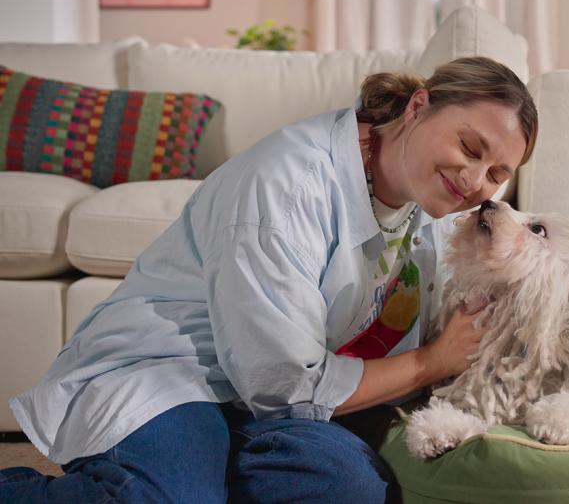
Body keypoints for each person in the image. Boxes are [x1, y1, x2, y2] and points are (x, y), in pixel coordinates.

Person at [0, 56, 538, 503]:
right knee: (167, 498)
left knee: (346, 485)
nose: (474, 181)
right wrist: (430, 362)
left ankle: (197, 479)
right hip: (172, 374)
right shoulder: (287, 185)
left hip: (262, 398)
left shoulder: (433, 204)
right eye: (469, 148)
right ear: (418, 106)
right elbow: (283, 383)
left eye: (496, 174)